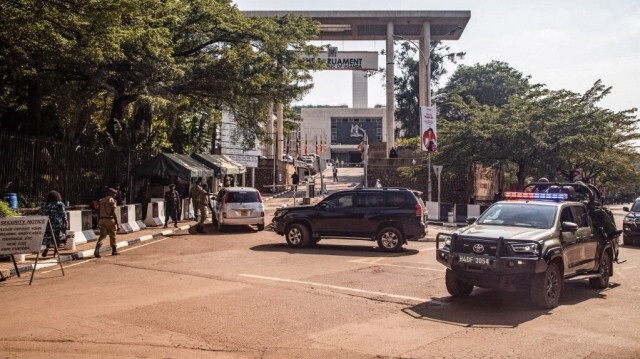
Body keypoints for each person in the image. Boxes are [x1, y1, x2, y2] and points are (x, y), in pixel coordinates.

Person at [40, 190, 68, 258]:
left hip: (48, 223)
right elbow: (63, 214)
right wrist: (66, 223)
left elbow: (42, 214)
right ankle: (55, 253)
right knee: (57, 238)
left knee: (48, 237)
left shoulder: (44, 204)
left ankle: (47, 248)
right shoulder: (59, 204)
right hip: (57, 223)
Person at [95, 188, 120, 258]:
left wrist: (98, 221)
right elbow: (113, 212)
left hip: (102, 220)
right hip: (110, 219)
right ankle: (114, 250)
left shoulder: (101, 200)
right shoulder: (112, 200)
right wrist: (117, 224)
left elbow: (98, 212)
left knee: (102, 235)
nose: (115, 195)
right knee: (113, 234)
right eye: (114, 193)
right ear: (111, 193)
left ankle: (97, 249)